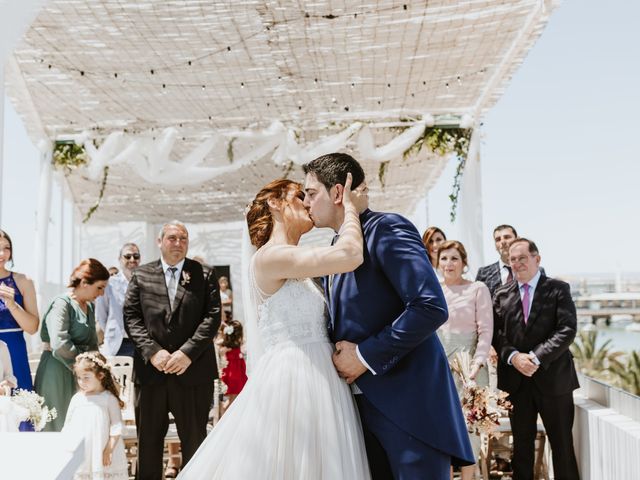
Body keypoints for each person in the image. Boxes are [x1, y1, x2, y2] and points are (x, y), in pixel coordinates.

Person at [178, 175, 371, 479]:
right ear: (275, 203)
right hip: (294, 379)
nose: (308, 204)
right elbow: (350, 255)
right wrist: (350, 208)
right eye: (299, 197)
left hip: (324, 378)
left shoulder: (299, 263)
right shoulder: (270, 257)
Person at [303, 153, 473, 480]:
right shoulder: (337, 246)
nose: (306, 202)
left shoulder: (387, 228)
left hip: (410, 411)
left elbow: (429, 306)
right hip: (359, 411)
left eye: (312, 193)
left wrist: (364, 356)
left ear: (338, 193)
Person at [124, 221, 221, 480]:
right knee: (148, 443)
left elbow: (212, 317)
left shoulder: (204, 273)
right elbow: (132, 318)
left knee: (195, 441)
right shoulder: (141, 275)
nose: (178, 243)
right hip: (150, 374)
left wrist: (187, 353)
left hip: (192, 372)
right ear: (160, 241)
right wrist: (153, 352)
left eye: (183, 238)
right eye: (172, 238)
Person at [493, 238, 580, 480]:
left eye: (522, 258)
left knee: (562, 447)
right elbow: (496, 334)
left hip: (554, 380)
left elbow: (567, 329)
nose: (517, 263)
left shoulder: (558, 289)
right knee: (520, 449)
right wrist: (513, 357)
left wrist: (534, 358)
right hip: (516, 383)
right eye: (513, 259)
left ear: (536, 259)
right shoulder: (501, 295)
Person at [436, 240, 493, 479]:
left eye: (454, 259)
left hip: (470, 370)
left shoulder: (477, 288)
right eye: (444, 258)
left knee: (470, 428)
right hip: (440, 369)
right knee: (443, 430)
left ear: (464, 263)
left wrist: (476, 363)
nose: (449, 264)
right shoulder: (433, 289)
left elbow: (485, 331)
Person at [34, 258, 109, 431]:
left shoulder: (88, 308)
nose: (102, 294)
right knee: (58, 426)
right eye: (100, 287)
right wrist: (82, 366)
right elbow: (59, 343)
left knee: (80, 428)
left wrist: (98, 368)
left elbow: (92, 345)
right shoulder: (62, 304)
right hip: (58, 370)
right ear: (84, 283)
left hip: (82, 375)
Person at [62, 352, 128, 480]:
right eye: (79, 378)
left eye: (86, 377)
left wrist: (109, 449)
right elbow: (68, 425)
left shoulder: (108, 399)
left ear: (101, 375)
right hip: (81, 452)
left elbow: (116, 426)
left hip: (102, 449)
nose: (81, 382)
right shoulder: (77, 399)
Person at [0, 229, 39, 396]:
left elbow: (32, 328)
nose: (2, 253)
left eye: (7, 247)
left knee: (18, 412)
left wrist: (12, 304)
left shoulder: (23, 281)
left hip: (14, 350)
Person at [96, 243, 141, 357]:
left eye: (136, 256)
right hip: (117, 344)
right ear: (120, 259)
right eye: (127, 256)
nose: (132, 259)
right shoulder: (109, 284)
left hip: (140, 344)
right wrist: (113, 331)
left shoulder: (145, 284)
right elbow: (101, 315)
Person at [476, 225, 518, 297]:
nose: (502, 242)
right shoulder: (484, 273)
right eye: (498, 239)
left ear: (517, 240)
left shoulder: (533, 270)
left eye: (507, 237)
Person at [215, 319, 247, 415]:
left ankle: (223, 413)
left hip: (230, 372)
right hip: (236, 373)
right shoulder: (238, 343)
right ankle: (224, 417)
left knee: (232, 398)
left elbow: (218, 347)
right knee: (233, 399)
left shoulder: (224, 345)